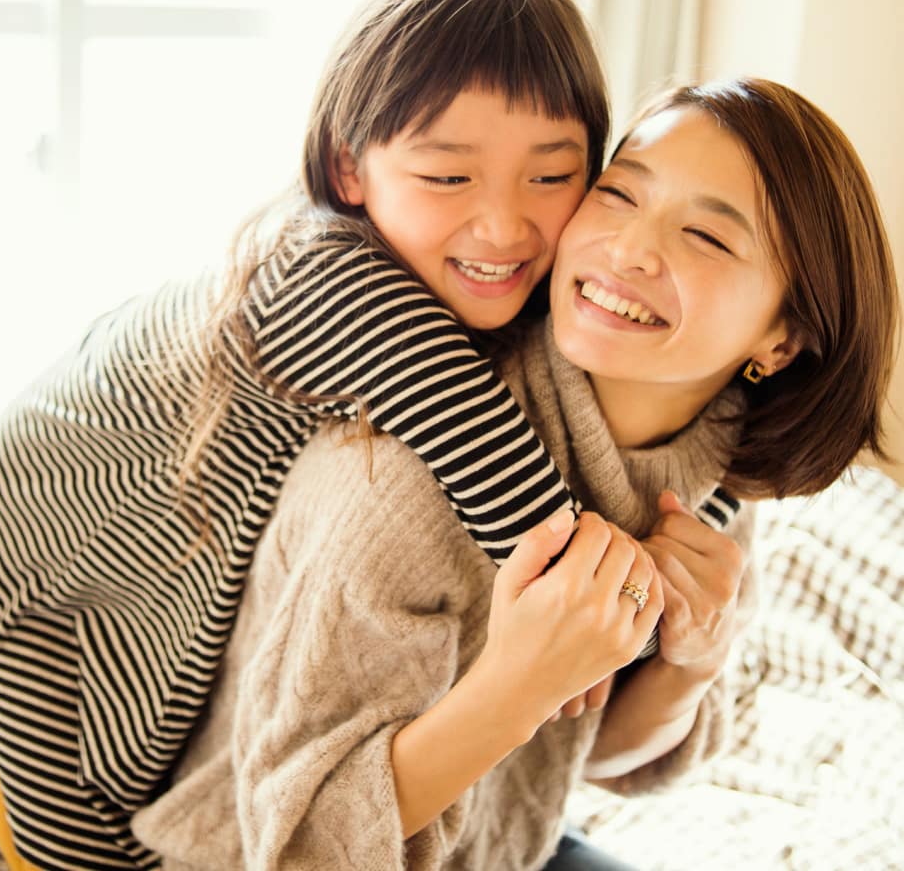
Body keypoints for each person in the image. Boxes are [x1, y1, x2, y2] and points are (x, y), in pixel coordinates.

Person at [0, 0, 636, 871]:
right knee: (93, 825)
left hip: (160, 460)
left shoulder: (480, 273)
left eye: (552, 177)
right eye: (444, 176)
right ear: (349, 169)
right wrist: (623, 611)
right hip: (65, 505)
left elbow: (609, 439)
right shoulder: (324, 269)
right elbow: (525, 511)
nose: (505, 226)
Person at [128, 78, 898, 870]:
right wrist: (518, 685)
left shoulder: (713, 467)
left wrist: (690, 662)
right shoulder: (401, 482)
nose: (629, 248)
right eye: (620, 193)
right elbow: (299, 849)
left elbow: (601, 757)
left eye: (706, 236)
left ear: (782, 338)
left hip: (509, 845)